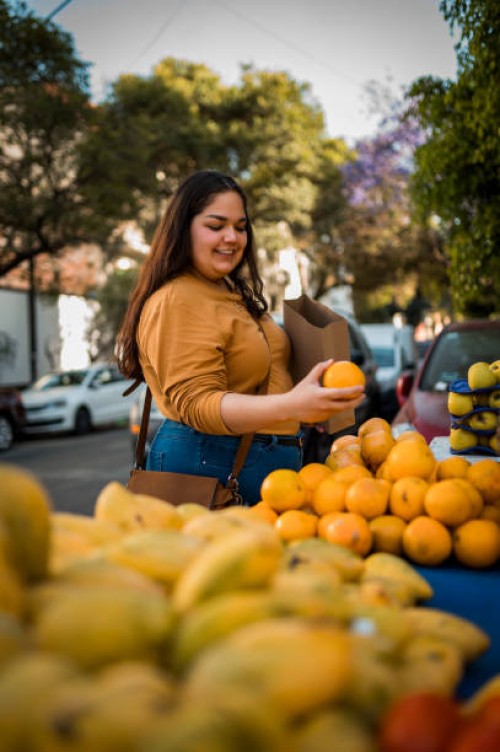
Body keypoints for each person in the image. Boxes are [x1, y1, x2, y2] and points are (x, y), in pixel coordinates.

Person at [116, 170, 365, 505]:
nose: (232, 237)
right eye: (216, 226)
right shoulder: (179, 298)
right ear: (183, 228)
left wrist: (305, 407)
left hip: (251, 468)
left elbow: (256, 380)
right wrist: (290, 405)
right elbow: (198, 405)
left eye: (240, 226)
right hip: (207, 465)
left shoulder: (229, 289)